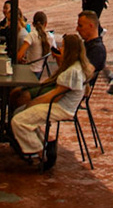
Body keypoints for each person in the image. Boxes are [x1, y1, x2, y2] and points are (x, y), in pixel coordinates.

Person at [11, 30, 91, 170]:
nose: (60, 48)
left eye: (63, 46)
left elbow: (54, 96)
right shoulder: (77, 67)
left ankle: (42, 152)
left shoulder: (72, 71)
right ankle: (45, 143)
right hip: (63, 105)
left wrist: (34, 102)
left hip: (61, 108)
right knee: (21, 114)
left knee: (18, 120)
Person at [76, 11, 107, 78]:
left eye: (80, 26)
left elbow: (85, 74)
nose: (77, 29)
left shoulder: (97, 50)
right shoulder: (87, 44)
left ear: (91, 26)